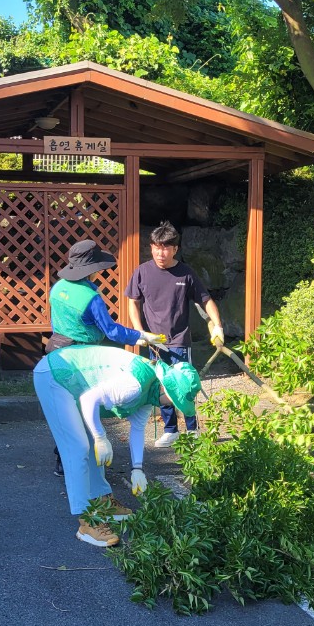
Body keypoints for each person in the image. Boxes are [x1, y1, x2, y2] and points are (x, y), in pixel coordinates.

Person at [33, 344, 201, 547]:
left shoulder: (150, 392)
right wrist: (101, 437)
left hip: (74, 381)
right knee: (77, 447)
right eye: (174, 400)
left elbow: (138, 430)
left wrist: (137, 469)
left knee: (91, 448)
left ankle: (103, 501)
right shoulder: (135, 385)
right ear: (166, 387)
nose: (171, 405)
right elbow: (89, 399)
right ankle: (87, 522)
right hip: (54, 375)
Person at [46, 240, 165, 475]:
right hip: (83, 357)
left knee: (65, 409)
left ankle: (62, 458)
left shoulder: (57, 287)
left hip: (56, 352)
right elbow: (110, 330)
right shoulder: (91, 298)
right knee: (82, 408)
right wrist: (142, 336)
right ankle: (76, 462)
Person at [126, 222, 224, 448]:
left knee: (184, 384)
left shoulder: (185, 273)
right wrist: (140, 331)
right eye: (157, 247)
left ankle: (192, 428)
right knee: (162, 385)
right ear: (151, 247)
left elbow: (205, 300)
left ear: (175, 249)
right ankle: (171, 430)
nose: (161, 253)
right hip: (154, 341)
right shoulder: (142, 271)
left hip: (179, 339)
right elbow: (133, 302)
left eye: (166, 248)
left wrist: (217, 325)